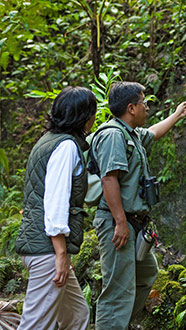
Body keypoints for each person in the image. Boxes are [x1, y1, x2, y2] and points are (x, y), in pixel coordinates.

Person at [91, 81, 186, 329]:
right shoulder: (113, 135)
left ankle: (120, 325)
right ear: (131, 108)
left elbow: (154, 132)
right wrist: (121, 223)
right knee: (117, 292)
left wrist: (176, 115)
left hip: (135, 224)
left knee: (146, 275)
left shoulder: (131, 133)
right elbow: (108, 178)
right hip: (118, 223)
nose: (147, 107)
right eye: (144, 103)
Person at [15, 86, 97, 330]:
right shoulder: (66, 147)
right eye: (93, 112)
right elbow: (55, 202)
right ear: (84, 117)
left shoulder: (47, 141)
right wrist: (60, 253)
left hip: (44, 246)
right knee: (36, 325)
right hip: (47, 249)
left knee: (76, 315)